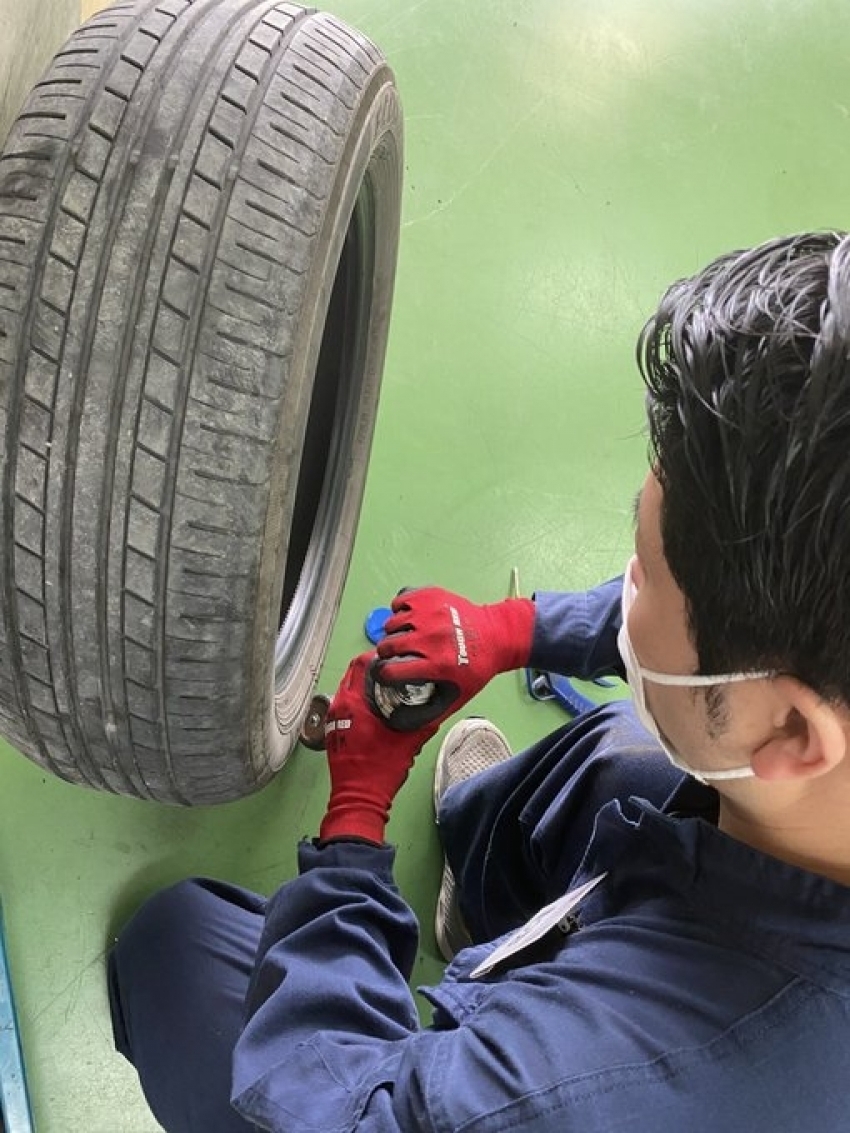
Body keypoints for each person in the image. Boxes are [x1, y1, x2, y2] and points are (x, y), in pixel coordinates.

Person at [107, 232, 850, 1132]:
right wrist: (514, 631)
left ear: (794, 734)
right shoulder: (812, 716)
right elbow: (766, 631)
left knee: (175, 945)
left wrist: (353, 828)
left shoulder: (583, 1085)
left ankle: (485, 968)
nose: (626, 585)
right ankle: (485, 921)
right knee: (615, 758)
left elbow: (330, 1109)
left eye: (647, 572)